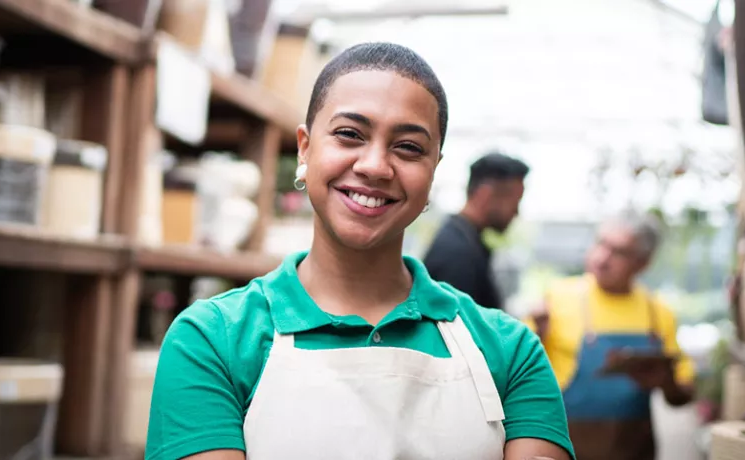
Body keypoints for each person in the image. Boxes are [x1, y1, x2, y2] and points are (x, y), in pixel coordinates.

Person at [145, 42, 574, 460]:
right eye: (349, 134)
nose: (374, 166)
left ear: (433, 171)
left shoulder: (512, 353)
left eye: (409, 147)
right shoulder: (213, 341)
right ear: (305, 148)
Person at [526, 212, 695, 460]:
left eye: (619, 252)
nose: (602, 258)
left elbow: (684, 393)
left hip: (634, 450)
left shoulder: (658, 314)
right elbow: (516, 372)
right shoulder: (557, 299)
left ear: (643, 263)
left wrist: (665, 381)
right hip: (568, 448)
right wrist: (537, 333)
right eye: (601, 243)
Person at [423, 152, 529, 309]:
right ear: (485, 195)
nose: (516, 212)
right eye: (515, 201)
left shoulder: (464, 240)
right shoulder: (456, 253)